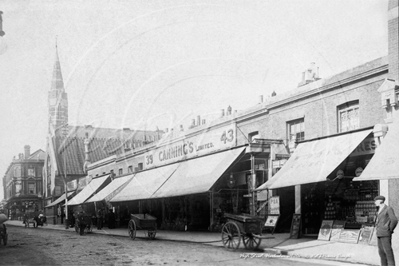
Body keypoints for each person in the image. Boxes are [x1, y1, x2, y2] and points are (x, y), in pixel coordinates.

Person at [374, 195, 398, 266]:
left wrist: (389, 229)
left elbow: (394, 220)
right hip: (379, 233)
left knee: (388, 253)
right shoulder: (379, 209)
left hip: (385, 233)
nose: (375, 202)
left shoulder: (388, 208)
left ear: (380, 201)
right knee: (381, 253)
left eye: (376, 201)